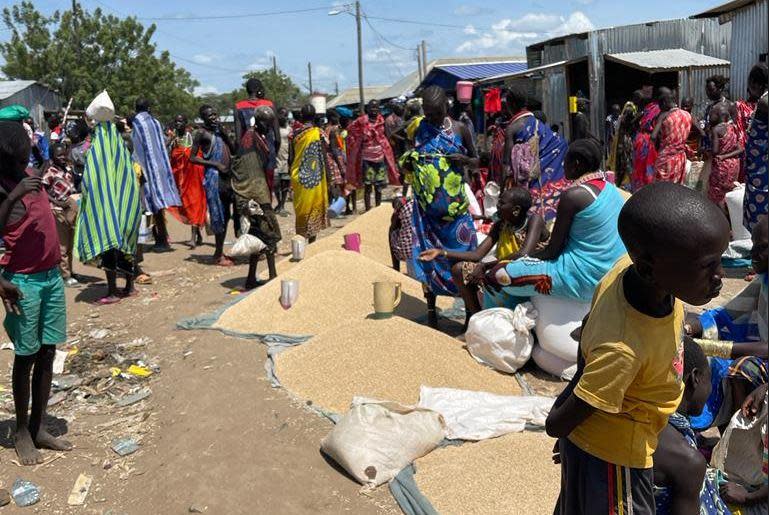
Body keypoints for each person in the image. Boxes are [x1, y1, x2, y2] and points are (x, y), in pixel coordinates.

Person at [547, 182, 730, 515]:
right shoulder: (623, 348)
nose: (720, 276)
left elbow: (589, 326)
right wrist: (570, 426)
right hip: (616, 457)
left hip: (627, 428)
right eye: (708, 266)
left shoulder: (627, 272)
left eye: (720, 261)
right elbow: (555, 423)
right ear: (649, 266)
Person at [0, 121, 73, 465]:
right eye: (24, 142)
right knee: (26, 358)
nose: (30, 146)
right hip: (23, 283)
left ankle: (39, 425)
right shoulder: (5, 186)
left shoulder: (29, 172)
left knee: (47, 352)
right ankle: (21, 432)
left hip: (49, 279)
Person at [484, 139, 626, 304]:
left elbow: (552, 251)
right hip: (610, 273)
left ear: (577, 164)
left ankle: (516, 324)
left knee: (497, 274)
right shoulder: (610, 189)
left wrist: (522, 259)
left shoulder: (573, 196)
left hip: (582, 278)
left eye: (566, 160)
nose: (563, 164)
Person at [398, 86, 478, 326]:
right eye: (428, 113)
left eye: (435, 113)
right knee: (427, 261)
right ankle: (432, 312)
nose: (431, 118)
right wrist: (410, 162)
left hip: (456, 213)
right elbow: (401, 142)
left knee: (463, 263)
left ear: (447, 107)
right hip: (426, 214)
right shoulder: (419, 128)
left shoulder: (460, 129)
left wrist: (464, 160)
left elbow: (476, 161)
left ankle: (469, 315)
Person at [418, 187, 548, 327]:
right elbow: (477, 254)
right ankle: (477, 321)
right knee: (459, 269)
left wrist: (485, 266)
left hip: (529, 271)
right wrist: (441, 252)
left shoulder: (534, 220)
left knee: (488, 272)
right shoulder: (501, 225)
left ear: (516, 209)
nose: (497, 206)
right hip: (503, 268)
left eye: (501, 203)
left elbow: (523, 254)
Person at [653, 338, 731, 515]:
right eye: (709, 380)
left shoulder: (639, 418)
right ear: (695, 378)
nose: (710, 389)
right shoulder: (687, 460)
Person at [76, 96, 142, 304]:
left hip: (104, 205)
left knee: (108, 242)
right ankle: (130, 287)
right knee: (125, 241)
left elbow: (90, 180)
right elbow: (130, 174)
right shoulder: (122, 142)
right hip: (127, 201)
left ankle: (113, 292)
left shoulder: (95, 146)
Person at [230, 106, 281, 289]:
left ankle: (251, 278)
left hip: (258, 191)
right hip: (253, 193)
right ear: (258, 122)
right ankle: (272, 275)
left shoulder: (258, 137)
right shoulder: (250, 139)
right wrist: (258, 199)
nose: (268, 127)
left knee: (257, 236)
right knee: (268, 233)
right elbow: (250, 171)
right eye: (266, 123)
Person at [503, 86, 569, 221]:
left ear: (512, 104)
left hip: (530, 184)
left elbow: (507, 164)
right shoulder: (540, 125)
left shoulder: (512, 128)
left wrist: (502, 192)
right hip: (551, 185)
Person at [131, 98, 181, 251]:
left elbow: (136, 148)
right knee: (157, 205)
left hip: (145, 169)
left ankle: (161, 239)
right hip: (159, 167)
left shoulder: (136, 124)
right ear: (149, 108)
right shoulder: (156, 122)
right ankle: (161, 237)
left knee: (150, 205)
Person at [190, 105, 237, 266]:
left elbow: (234, 150)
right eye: (209, 115)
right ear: (203, 118)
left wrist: (225, 134)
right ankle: (218, 254)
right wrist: (215, 164)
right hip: (214, 177)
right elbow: (193, 158)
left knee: (227, 213)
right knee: (218, 215)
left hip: (227, 177)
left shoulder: (220, 133)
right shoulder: (201, 134)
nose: (213, 117)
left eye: (215, 114)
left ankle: (220, 251)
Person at [289, 104, 332, 243]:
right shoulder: (319, 133)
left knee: (302, 208)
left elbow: (291, 158)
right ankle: (312, 243)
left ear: (301, 117)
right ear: (315, 117)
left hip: (298, 176)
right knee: (314, 206)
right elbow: (325, 156)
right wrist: (329, 177)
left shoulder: (294, 134)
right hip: (316, 177)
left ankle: (300, 241)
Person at [346, 99, 399, 211]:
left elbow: (384, 136)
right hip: (366, 158)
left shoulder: (381, 120)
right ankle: (368, 209)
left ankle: (378, 208)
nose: (374, 110)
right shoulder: (361, 121)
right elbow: (350, 129)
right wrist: (359, 139)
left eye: (376, 108)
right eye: (372, 108)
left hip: (380, 157)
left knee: (379, 186)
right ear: (367, 109)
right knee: (368, 186)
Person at [41, 143, 79, 287]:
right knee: (62, 245)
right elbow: (42, 190)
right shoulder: (50, 172)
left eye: (64, 154)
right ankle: (64, 275)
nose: (62, 157)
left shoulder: (68, 169)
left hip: (70, 209)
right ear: (52, 157)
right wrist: (56, 201)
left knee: (70, 244)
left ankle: (70, 270)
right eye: (59, 155)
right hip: (57, 210)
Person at [235, 78, 280, 198]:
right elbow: (277, 137)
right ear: (259, 90)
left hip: (248, 155)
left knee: (251, 190)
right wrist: (273, 153)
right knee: (267, 187)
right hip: (268, 152)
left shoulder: (239, 107)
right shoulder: (269, 105)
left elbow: (238, 139)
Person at [167, 114, 206, 248]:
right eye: (176, 121)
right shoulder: (174, 139)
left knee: (193, 204)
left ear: (186, 123)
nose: (178, 124)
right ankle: (198, 235)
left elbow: (195, 155)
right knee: (185, 205)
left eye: (181, 121)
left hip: (193, 177)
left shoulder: (192, 137)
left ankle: (193, 238)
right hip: (180, 179)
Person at [743, 64, 769, 232]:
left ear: (756, 83)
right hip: (758, 166)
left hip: (762, 170)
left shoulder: (765, 101)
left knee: (759, 213)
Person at [651, 87, 692, 184]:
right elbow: (701, 132)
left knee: (660, 188)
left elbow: (653, 136)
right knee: (675, 187)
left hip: (666, 158)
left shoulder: (664, 115)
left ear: (664, 103)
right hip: (681, 158)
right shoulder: (687, 115)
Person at [708, 104, 744, 208]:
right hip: (734, 165)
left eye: (713, 113)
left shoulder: (716, 130)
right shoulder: (733, 128)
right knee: (728, 193)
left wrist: (709, 152)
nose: (711, 116)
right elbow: (740, 149)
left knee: (716, 193)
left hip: (721, 167)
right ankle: (728, 215)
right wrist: (727, 156)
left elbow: (715, 151)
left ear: (719, 115)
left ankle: (718, 216)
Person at [609, 91, 641, 188]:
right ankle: (624, 183)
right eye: (639, 99)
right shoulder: (629, 109)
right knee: (625, 162)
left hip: (626, 138)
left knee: (625, 162)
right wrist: (638, 117)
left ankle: (623, 183)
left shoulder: (631, 107)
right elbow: (626, 123)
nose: (640, 101)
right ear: (636, 98)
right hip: (625, 140)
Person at [632, 91, 661, 191]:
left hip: (640, 138)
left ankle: (638, 189)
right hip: (650, 140)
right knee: (649, 166)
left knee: (640, 166)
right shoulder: (658, 109)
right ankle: (648, 190)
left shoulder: (648, 108)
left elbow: (635, 122)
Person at [274, 107, 292, 215]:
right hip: (276, 159)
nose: (283, 117)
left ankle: (282, 205)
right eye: (281, 114)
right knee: (276, 184)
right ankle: (279, 204)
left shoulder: (289, 129)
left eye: (285, 115)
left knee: (285, 184)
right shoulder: (273, 129)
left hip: (286, 160)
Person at [67, 119, 90, 192]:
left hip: (84, 176)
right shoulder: (72, 145)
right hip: (75, 176)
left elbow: (82, 157)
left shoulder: (86, 145)